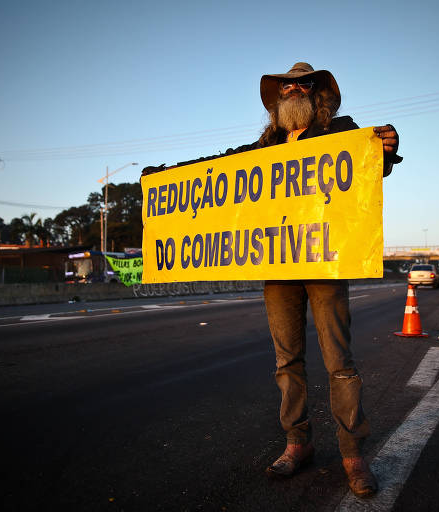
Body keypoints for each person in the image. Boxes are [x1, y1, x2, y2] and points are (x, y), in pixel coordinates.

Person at [142, 62, 402, 498]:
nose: (294, 89)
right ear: (277, 98)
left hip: (325, 263)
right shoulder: (264, 146)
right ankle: (297, 443)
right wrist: (165, 177)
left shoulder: (341, 130)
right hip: (279, 269)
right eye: (287, 85)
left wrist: (388, 147)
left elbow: (372, 164)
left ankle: (352, 453)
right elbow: (216, 169)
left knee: (339, 362)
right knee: (287, 362)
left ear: (317, 92)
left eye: (302, 83)